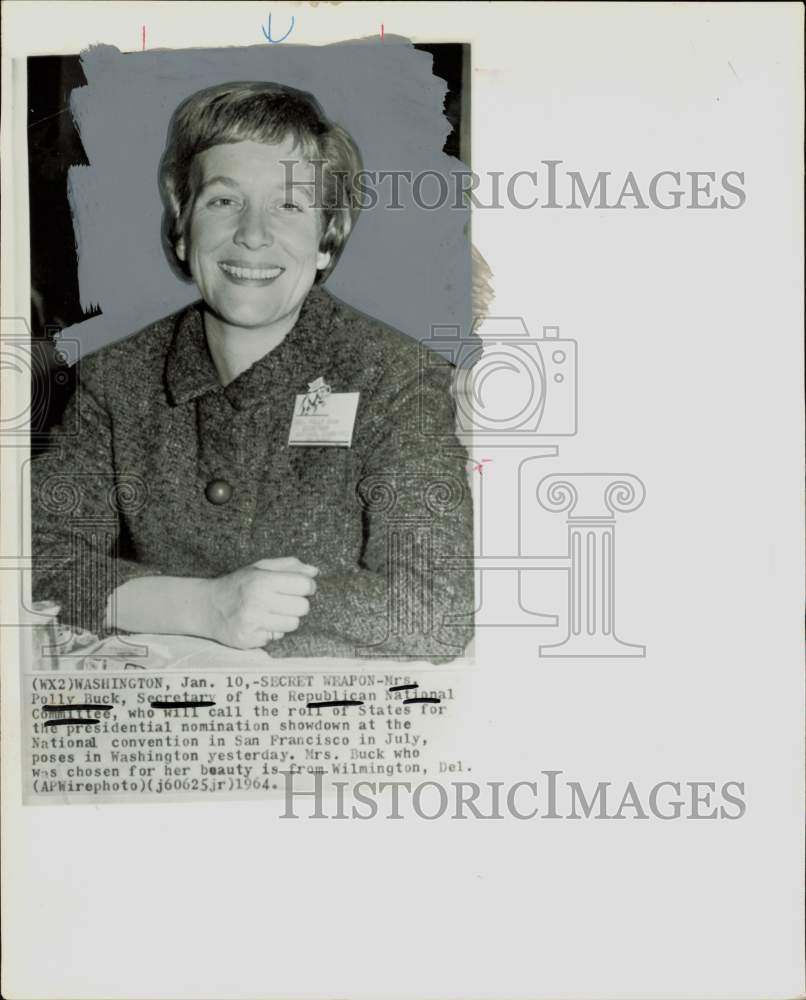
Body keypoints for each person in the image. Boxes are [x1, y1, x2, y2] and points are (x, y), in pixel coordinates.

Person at [31, 81, 474, 662]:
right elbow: (33, 555)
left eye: (288, 205)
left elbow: (436, 609)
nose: (253, 234)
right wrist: (202, 606)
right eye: (223, 200)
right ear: (183, 226)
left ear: (326, 238)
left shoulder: (398, 380)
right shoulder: (114, 381)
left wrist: (269, 603)